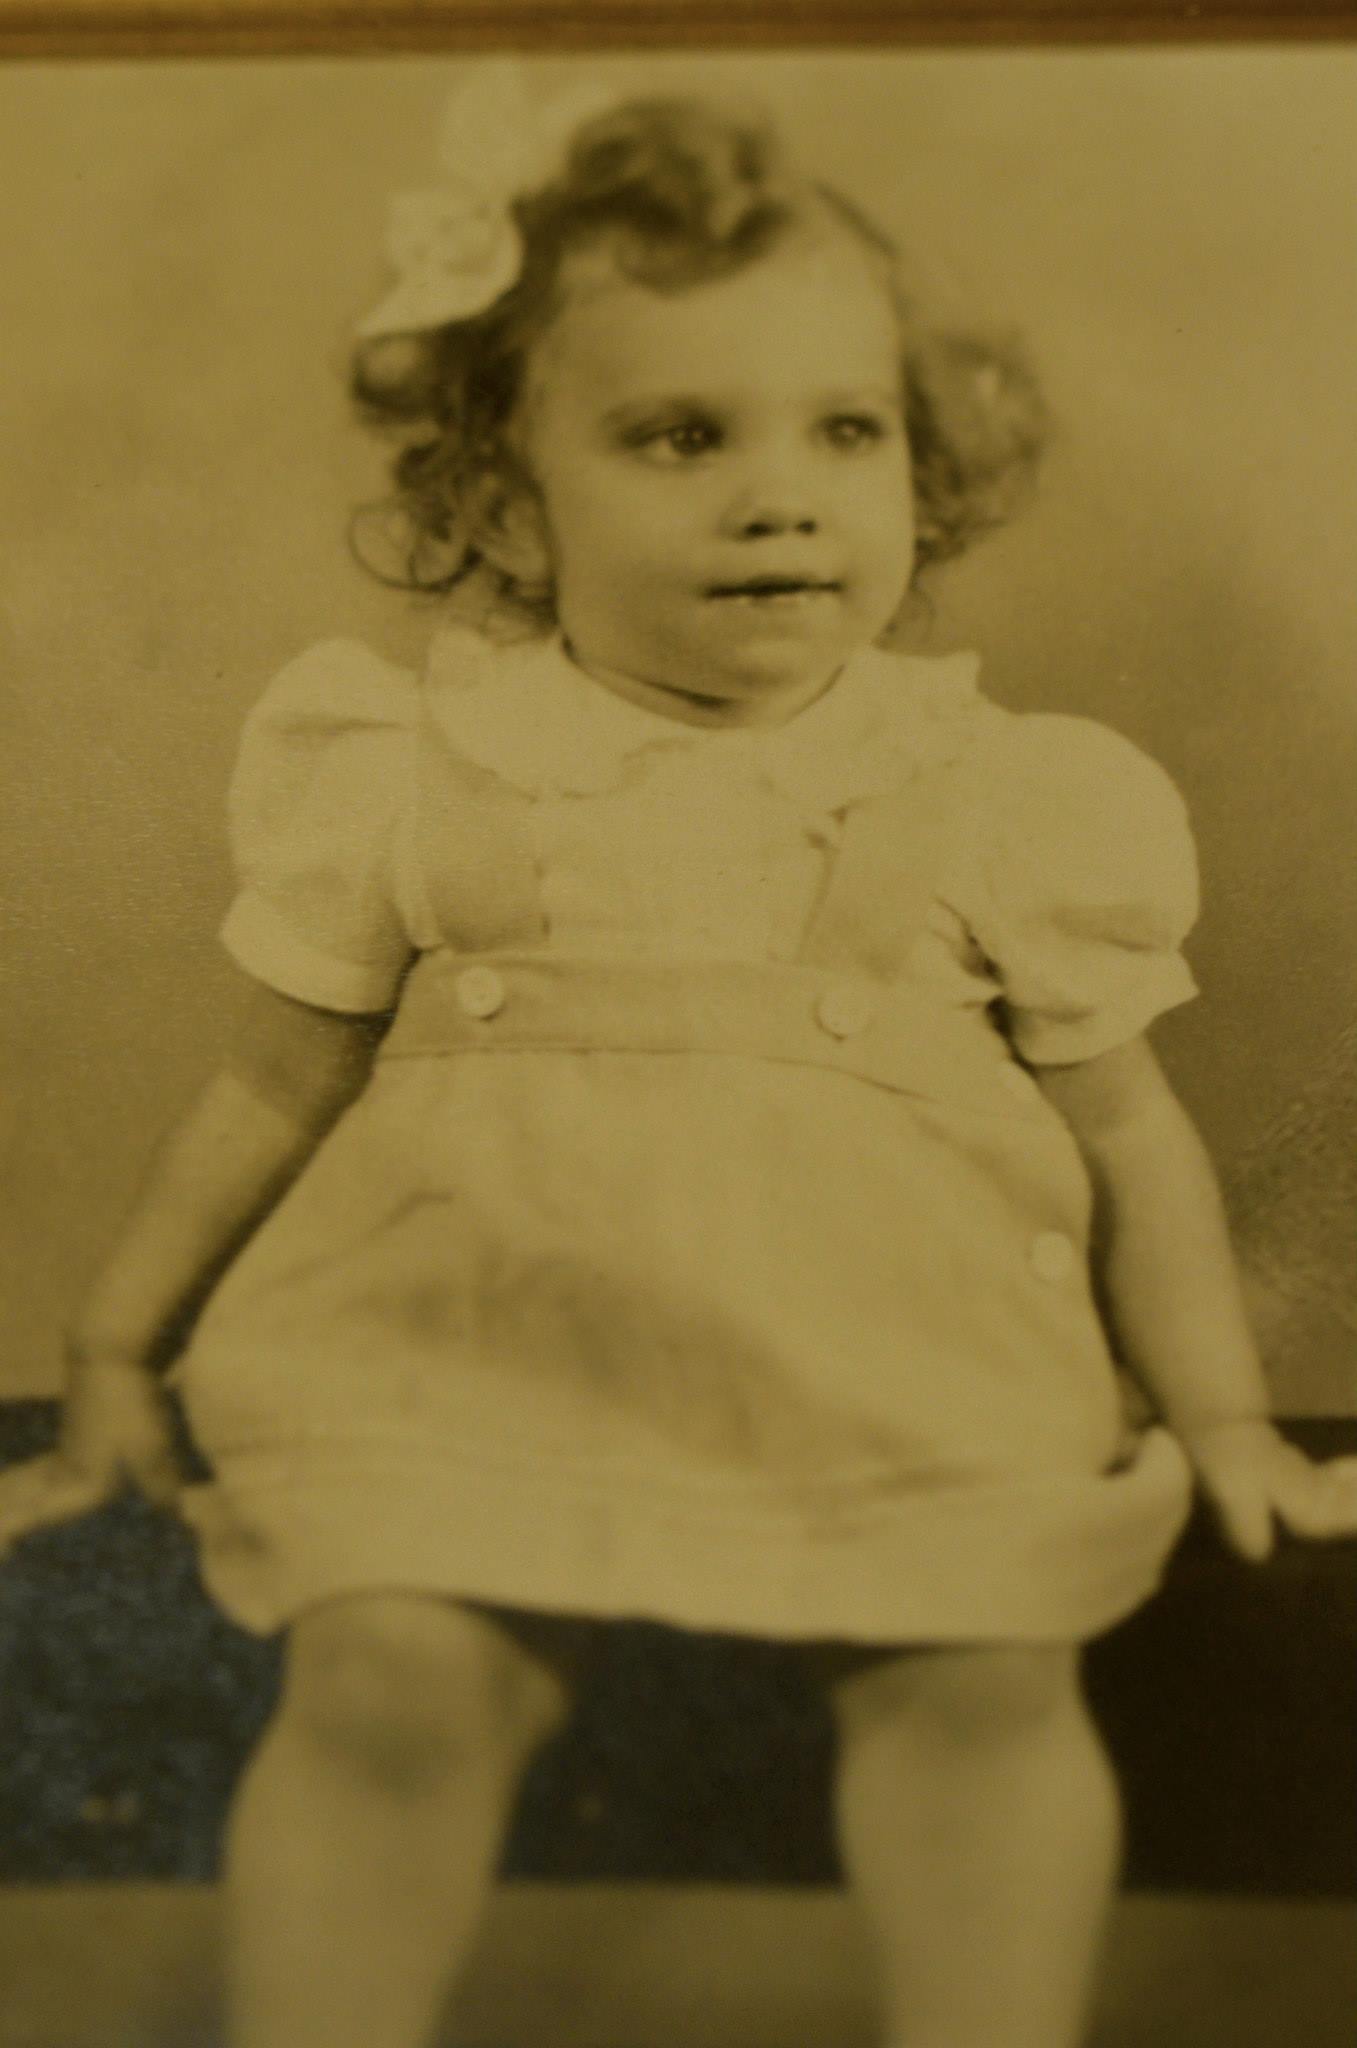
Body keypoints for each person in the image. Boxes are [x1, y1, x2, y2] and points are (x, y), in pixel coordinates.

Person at [3, 67, 1355, 2048]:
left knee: (982, 1688)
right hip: (473, 1342)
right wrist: (118, 1340)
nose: (778, 493)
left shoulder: (998, 794)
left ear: (917, 465)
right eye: (679, 436)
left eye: (845, 429)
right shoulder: (415, 769)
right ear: (503, 504)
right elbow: (271, 1085)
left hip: (895, 1363)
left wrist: (1225, 1418)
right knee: (387, 1685)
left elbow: (1131, 1138)